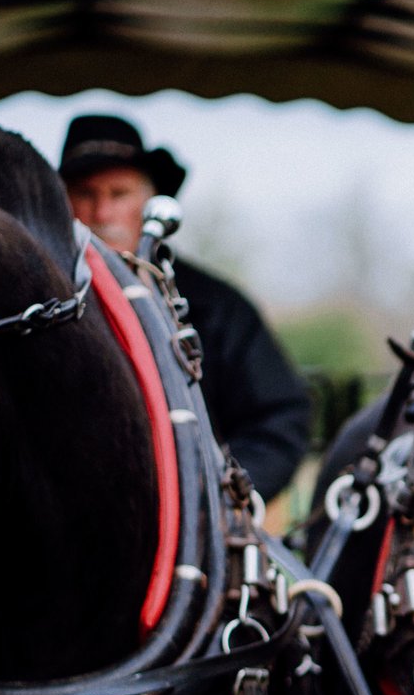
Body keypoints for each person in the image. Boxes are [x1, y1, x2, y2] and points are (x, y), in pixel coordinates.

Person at [58, 115, 312, 497]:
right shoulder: (32, 302)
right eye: (85, 194)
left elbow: (280, 416)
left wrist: (219, 495)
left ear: (151, 204)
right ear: (61, 203)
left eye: (119, 194)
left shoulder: (217, 307)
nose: (103, 213)